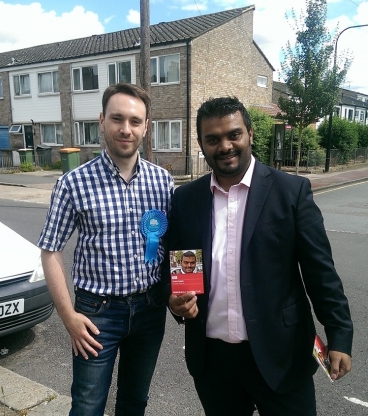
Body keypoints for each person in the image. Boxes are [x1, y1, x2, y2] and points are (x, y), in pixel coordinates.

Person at [168, 96, 353, 416]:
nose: (225, 146)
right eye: (213, 139)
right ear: (201, 143)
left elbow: (320, 271)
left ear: (250, 134)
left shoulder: (291, 192)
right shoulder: (186, 199)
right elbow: (181, 265)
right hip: (214, 362)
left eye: (233, 135)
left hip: (281, 353)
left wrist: (339, 335)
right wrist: (176, 301)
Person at [38, 83, 174, 416]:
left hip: (149, 309)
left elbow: (175, 245)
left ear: (145, 127)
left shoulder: (163, 181)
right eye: (117, 119)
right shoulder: (73, 183)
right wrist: (68, 316)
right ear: (102, 121)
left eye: (134, 121)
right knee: (87, 406)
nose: (125, 129)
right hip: (96, 313)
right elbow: (50, 250)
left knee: (134, 401)